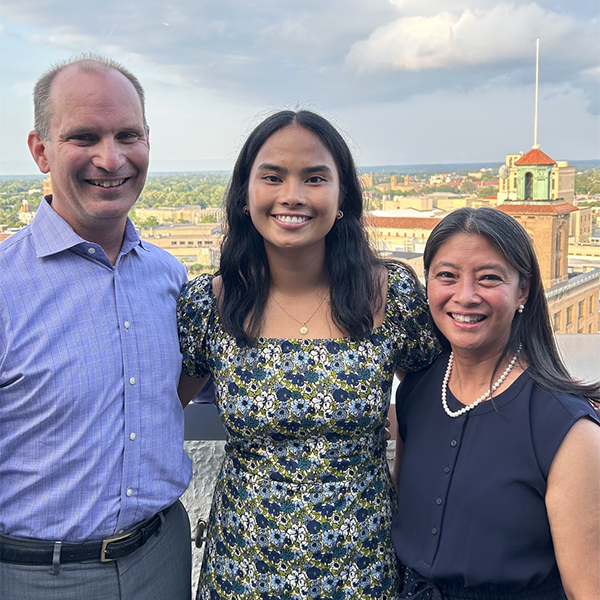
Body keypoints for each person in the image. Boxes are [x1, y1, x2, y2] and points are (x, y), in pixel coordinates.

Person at [177, 110, 439, 600]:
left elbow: (439, 405)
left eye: (314, 178)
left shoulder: (391, 295)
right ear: (245, 195)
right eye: (272, 177)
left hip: (363, 567)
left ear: (342, 198)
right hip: (243, 570)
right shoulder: (210, 305)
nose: (292, 196)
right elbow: (158, 411)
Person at [0, 55, 192, 599]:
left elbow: (184, 386)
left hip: (162, 558)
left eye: (127, 135)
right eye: (84, 137)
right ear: (40, 150)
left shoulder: (169, 277)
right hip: (32, 576)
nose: (111, 159)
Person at [391, 207, 600, 600]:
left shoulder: (566, 429)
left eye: (488, 278)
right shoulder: (417, 391)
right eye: (447, 276)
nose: (465, 296)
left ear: (523, 290)